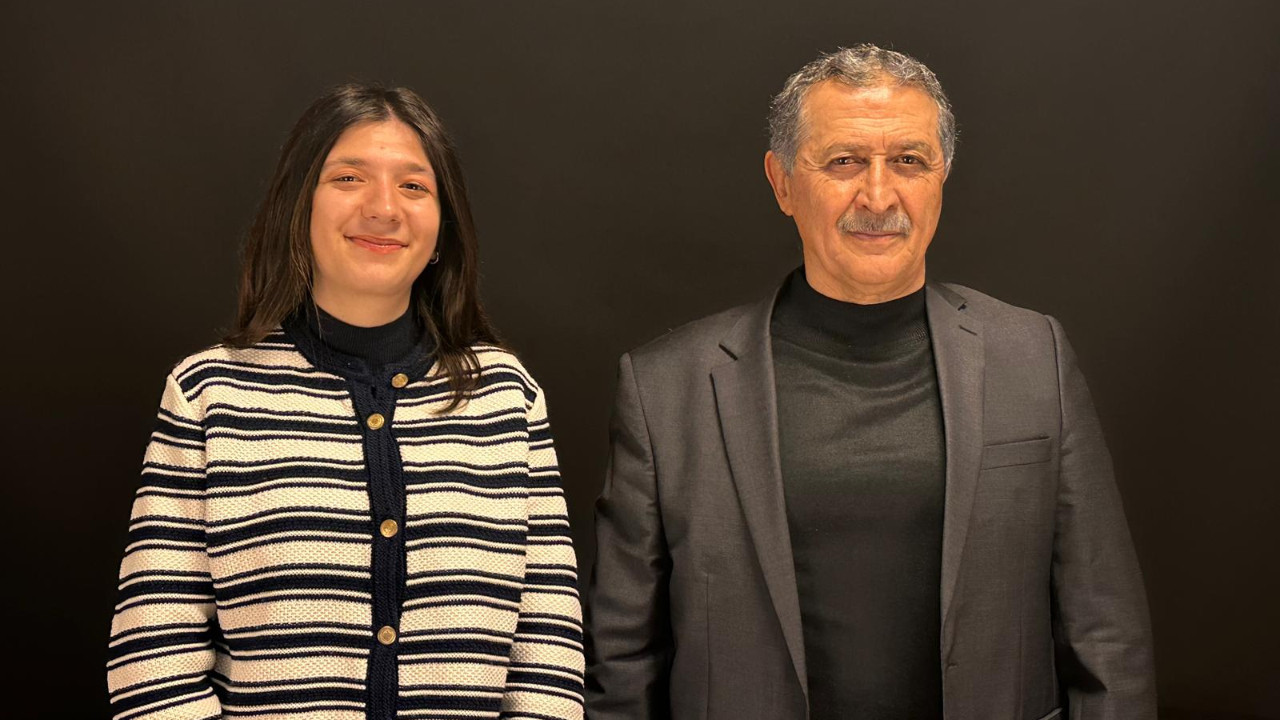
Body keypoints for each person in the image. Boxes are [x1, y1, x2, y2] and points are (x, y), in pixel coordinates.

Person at [585, 44, 1155, 720]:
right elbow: (621, 668)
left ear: (942, 177)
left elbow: (1106, 640)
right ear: (782, 183)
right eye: (844, 161)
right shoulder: (665, 390)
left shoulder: (1034, 358)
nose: (879, 196)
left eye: (909, 161)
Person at [107, 84, 584, 720]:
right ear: (298, 206)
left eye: (413, 186)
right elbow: (153, 661)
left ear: (443, 228)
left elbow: (547, 657)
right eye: (349, 178)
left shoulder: (507, 397)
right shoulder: (208, 394)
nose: (383, 208)